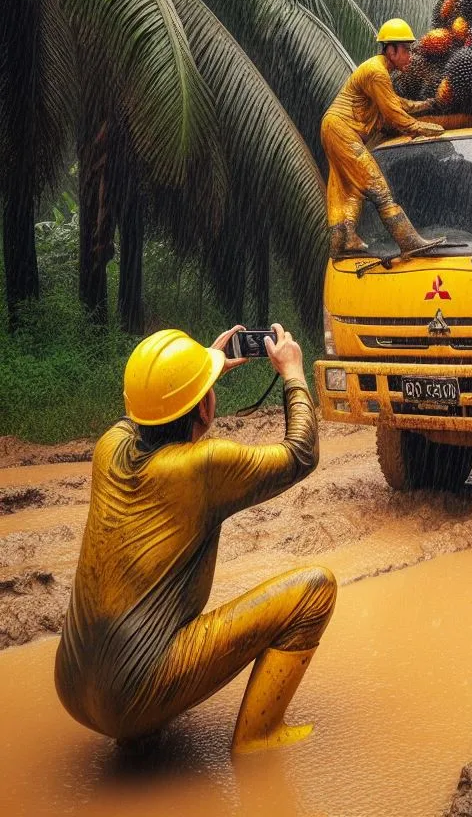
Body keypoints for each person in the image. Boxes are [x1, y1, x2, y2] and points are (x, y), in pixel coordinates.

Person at [55, 323, 336, 753]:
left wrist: (193, 374)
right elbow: (300, 453)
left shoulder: (108, 448)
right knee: (315, 590)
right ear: (204, 409)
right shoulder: (204, 466)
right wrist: (293, 374)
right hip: (132, 695)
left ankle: (138, 735)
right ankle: (258, 739)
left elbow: (145, 411)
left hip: (73, 687)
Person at [322, 18, 446, 259]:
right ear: (391, 50)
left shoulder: (378, 72)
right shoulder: (376, 72)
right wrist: (422, 128)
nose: (410, 57)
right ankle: (408, 240)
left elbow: (395, 102)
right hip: (341, 129)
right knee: (377, 187)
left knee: (350, 190)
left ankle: (342, 242)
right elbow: (393, 113)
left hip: (334, 128)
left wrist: (427, 105)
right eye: (406, 50)